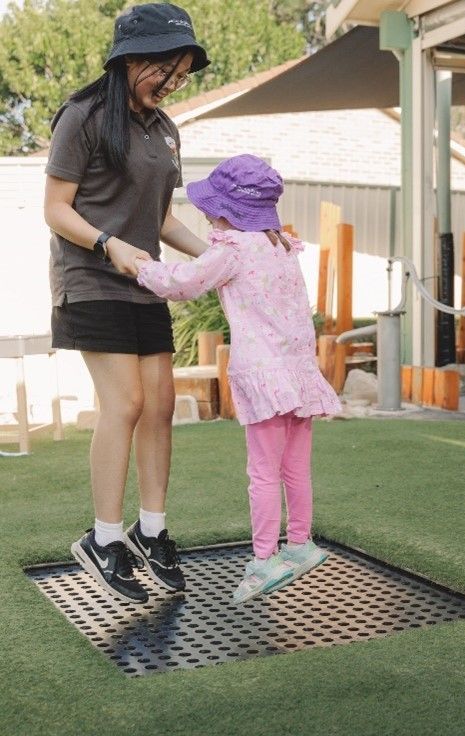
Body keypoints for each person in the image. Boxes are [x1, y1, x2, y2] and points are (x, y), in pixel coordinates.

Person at [43, 3, 212, 604]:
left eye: (183, 72)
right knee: (127, 401)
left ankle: (152, 529)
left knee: (161, 404)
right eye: (165, 67)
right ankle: (104, 538)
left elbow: (162, 216)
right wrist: (109, 244)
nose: (172, 81)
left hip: (144, 282)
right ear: (129, 59)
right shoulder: (84, 115)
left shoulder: (166, 130)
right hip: (90, 279)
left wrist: (219, 252)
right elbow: (56, 208)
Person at [133, 154, 343, 603]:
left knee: (262, 474)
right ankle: (301, 545)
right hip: (298, 373)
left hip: (265, 377)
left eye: (210, 205)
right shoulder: (282, 246)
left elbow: (184, 284)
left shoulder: (231, 250)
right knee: (294, 468)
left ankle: (264, 561)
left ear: (227, 210)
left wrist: (142, 267)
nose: (205, 212)